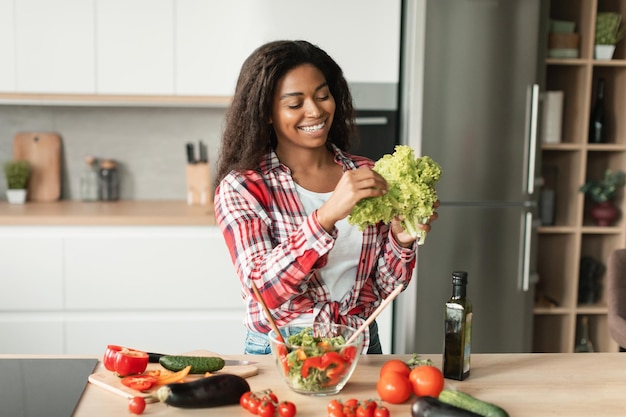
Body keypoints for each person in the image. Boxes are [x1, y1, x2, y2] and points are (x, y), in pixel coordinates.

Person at [214, 40, 438, 354]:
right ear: (266, 112)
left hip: (359, 344)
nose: (316, 110)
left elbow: (383, 288)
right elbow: (262, 290)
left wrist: (401, 239)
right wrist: (325, 217)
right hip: (282, 350)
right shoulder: (243, 187)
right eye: (295, 104)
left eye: (322, 95)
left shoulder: (366, 172)